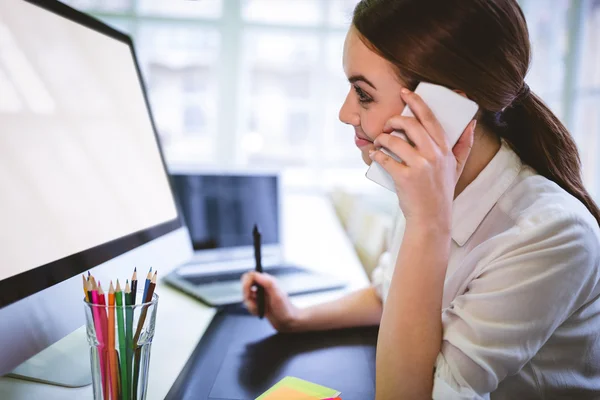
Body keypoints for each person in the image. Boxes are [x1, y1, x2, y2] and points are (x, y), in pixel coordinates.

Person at [241, 0, 600, 398]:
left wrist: (429, 224)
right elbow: (389, 296)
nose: (345, 113)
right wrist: (296, 318)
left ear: (443, 108)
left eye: (362, 94)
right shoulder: (424, 182)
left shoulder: (553, 235)